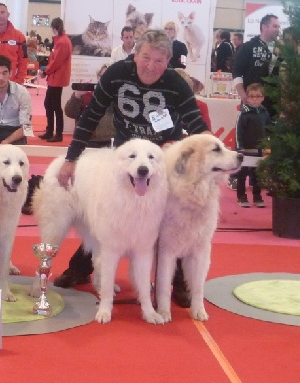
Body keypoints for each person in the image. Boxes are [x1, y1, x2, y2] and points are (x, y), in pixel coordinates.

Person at [54, 30, 210, 307]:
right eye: (146, 57)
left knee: (169, 224)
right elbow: (90, 117)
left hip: (162, 161)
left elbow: (198, 127)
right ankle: (81, 268)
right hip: (125, 158)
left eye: (160, 61)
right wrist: (70, 159)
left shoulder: (176, 84)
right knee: (110, 215)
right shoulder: (116, 74)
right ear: (134, 54)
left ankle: (179, 284)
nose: (151, 66)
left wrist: (209, 160)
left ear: (169, 61)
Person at [232, 14, 280, 113]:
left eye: (278, 27)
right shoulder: (248, 47)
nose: (278, 30)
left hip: (273, 104)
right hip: (252, 101)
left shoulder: (280, 49)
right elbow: (236, 72)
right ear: (264, 27)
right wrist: (243, 95)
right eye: (275, 26)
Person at [235, 83, 270, 208]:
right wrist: (240, 147)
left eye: (258, 96)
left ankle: (257, 196)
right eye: (252, 96)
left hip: (259, 149)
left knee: (257, 174)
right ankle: (241, 196)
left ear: (263, 97)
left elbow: (268, 129)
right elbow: (238, 131)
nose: (255, 99)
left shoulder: (265, 113)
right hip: (245, 149)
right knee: (242, 173)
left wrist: (268, 143)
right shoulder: (243, 113)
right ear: (247, 98)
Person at [38, 17, 71, 143]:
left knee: (55, 105)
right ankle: (50, 130)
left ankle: (58, 133)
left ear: (54, 28)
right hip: (55, 77)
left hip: (57, 78)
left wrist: (45, 71)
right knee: (49, 104)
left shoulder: (62, 42)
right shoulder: (60, 41)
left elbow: (56, 62)